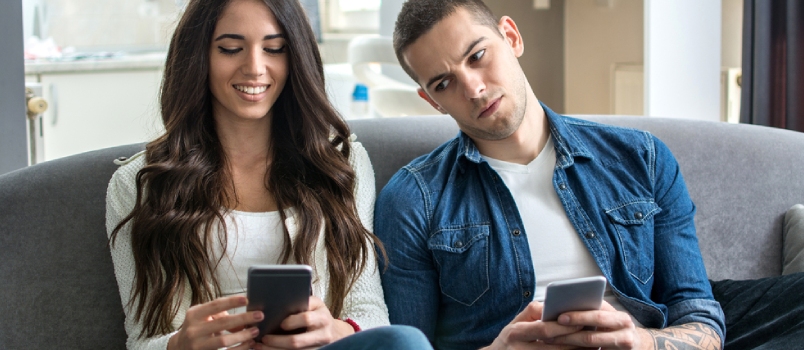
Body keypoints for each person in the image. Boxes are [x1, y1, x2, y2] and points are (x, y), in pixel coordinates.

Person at [375, 0, 804, 349]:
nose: (473, 88)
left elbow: (701, 319)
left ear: (511, 36)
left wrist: (639, 342)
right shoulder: (414, 198)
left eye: (478, 56)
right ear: (431, 100)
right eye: (444, 84)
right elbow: (407, 345)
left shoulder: (641, 157)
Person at [106, 0, 431, 349]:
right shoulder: (139, 183)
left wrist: (335, 329)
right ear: (198, 55)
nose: (255, 68)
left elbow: (369, 311)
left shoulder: (340, 163)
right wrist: (180, 344)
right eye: (231, 49)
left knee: (404, 341)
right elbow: (142, 340)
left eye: (274, 49)